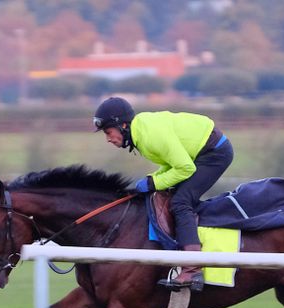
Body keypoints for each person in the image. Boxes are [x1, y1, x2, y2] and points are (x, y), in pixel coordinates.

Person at [94, 96, 234, 292]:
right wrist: (153, 179)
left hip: (214, 154)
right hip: (200, 153)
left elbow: (185, 168)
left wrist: (153, 183)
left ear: (123, 125)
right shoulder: (140, 133)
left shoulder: (149, 137)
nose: (108, 139)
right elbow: (170, 163)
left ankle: (192, 269)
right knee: (167, 195)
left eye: (108, 132)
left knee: (181, 202)